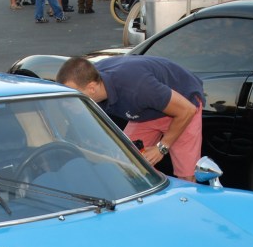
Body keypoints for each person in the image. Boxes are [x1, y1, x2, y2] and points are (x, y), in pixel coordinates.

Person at [56, 55, 203, 180]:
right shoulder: (91, 77)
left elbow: (186, 110)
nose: (68, 102)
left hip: (183, 105)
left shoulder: (137, 87)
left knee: (186, 175)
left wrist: (162, 148)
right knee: (125, 162)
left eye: (71, 97)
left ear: (92, 88)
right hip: (148, 110)